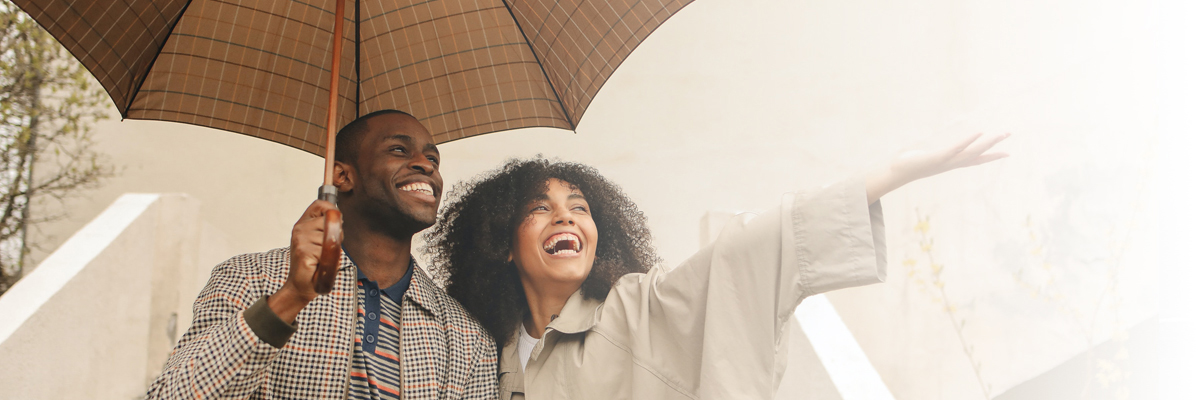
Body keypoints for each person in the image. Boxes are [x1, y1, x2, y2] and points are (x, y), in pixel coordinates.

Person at [425, 133, 1009, 399]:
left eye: (579, 208)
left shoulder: (638, 308)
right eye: (540, 210)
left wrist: (892, 174)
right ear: (502, 245)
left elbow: (742, 256)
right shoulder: (486, 354)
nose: (566, 219)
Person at [146, 110, 498, 399]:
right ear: (342, 176)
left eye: (433, 158)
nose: (426, 165)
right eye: (399, 150)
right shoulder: (249, 279)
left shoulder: (466, 338)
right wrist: (290, 298)